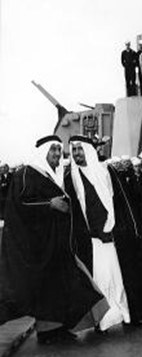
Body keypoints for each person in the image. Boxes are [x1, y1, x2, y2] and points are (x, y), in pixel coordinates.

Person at [0, 135, 108, 344]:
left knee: (57, 288)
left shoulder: (55, 175)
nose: (58, 155)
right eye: (53, 150)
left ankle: (55, 330)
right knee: (31, 292)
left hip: (56, 246)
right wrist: (49, 205)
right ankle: (48, 332)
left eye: (59, 150)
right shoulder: (27, 173)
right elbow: (18, 206)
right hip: (37, 247)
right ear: (43, 153)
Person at [65, 136, 142, 331]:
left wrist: (119, 228)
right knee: (99, 281)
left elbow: (123, 202)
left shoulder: (106, 170)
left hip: (116, 236)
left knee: (123, 278)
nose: (77, 153)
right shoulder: (71, 177)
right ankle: (102, 321)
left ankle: (130, 317)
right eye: (74, 150)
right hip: (91, 241)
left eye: (80, 149)